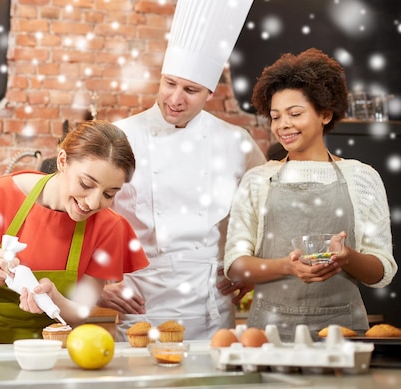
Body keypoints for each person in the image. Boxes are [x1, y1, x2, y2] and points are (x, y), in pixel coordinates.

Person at [96, 0, 266, 341]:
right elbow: (86, 215)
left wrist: (255, 267)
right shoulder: (119, 136)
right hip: (141, 298)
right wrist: (94, 285)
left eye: (190, 90)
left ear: (209, 93)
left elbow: (266, 208)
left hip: (211, 302)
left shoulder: (236, 141)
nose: (175, 98)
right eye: (169, 83)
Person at [223, 48, 397, 341]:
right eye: (276, 117)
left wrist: (348, 258)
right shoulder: (258, 180)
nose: (283, 125)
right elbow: (236, 265)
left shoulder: (362, 177)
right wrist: (287, 267)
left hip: (343, 333)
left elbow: (381, 272)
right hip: (268, 334)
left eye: (295, 114)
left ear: (325, 114)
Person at [0, 120, 149, 344]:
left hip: (51, 355)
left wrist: (53, 298)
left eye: (109, 194)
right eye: (85, 184)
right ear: (62, 161)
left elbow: (80, 312)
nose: (93, 202)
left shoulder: (109, 227)